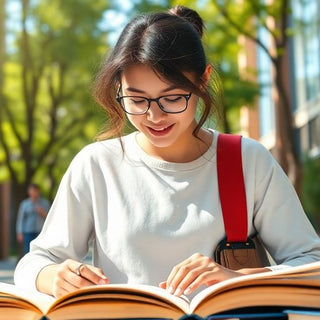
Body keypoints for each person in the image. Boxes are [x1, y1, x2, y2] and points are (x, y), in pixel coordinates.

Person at [14, 6, 320, 299]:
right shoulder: (97, 165)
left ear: (203, 79)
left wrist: (238, 279)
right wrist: (53, 276)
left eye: (172, 98)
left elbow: (311, 265)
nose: (154, 116)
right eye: (137, 99)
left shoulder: (247, 161)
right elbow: (34, 263)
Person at [16, 183, 50, 255]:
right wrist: (19, 232)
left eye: (35, 191)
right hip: (28, 231)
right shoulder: (25, 204)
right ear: (29, 192)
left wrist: (42, 212)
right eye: (32, 190)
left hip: (40, 231)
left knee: (40, 252)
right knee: (28, 252)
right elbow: (21, 219)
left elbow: (50, 218)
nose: (33, 192)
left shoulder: (45, 203)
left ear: (39, 191)